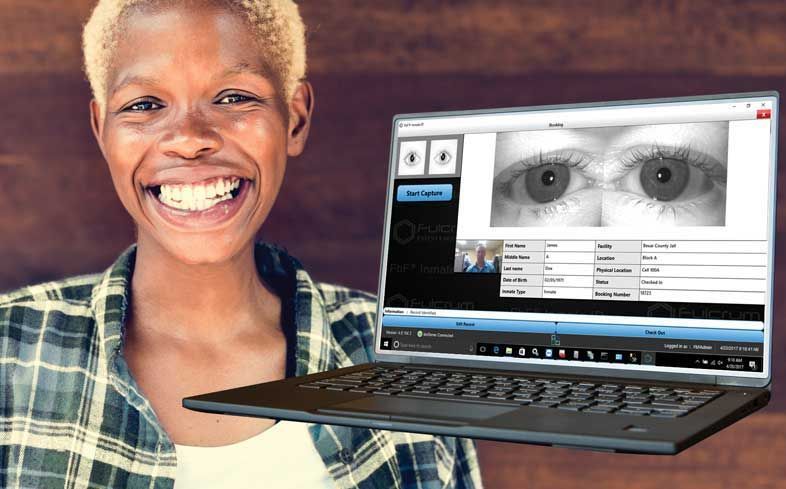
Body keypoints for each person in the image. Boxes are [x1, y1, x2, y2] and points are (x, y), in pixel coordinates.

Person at [0, 1, 482, 487]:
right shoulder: (10, 351)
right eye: (144, 105)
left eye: (232, 97)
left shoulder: (401, 363)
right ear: (101, 129)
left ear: (294, 119)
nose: (189, 139)